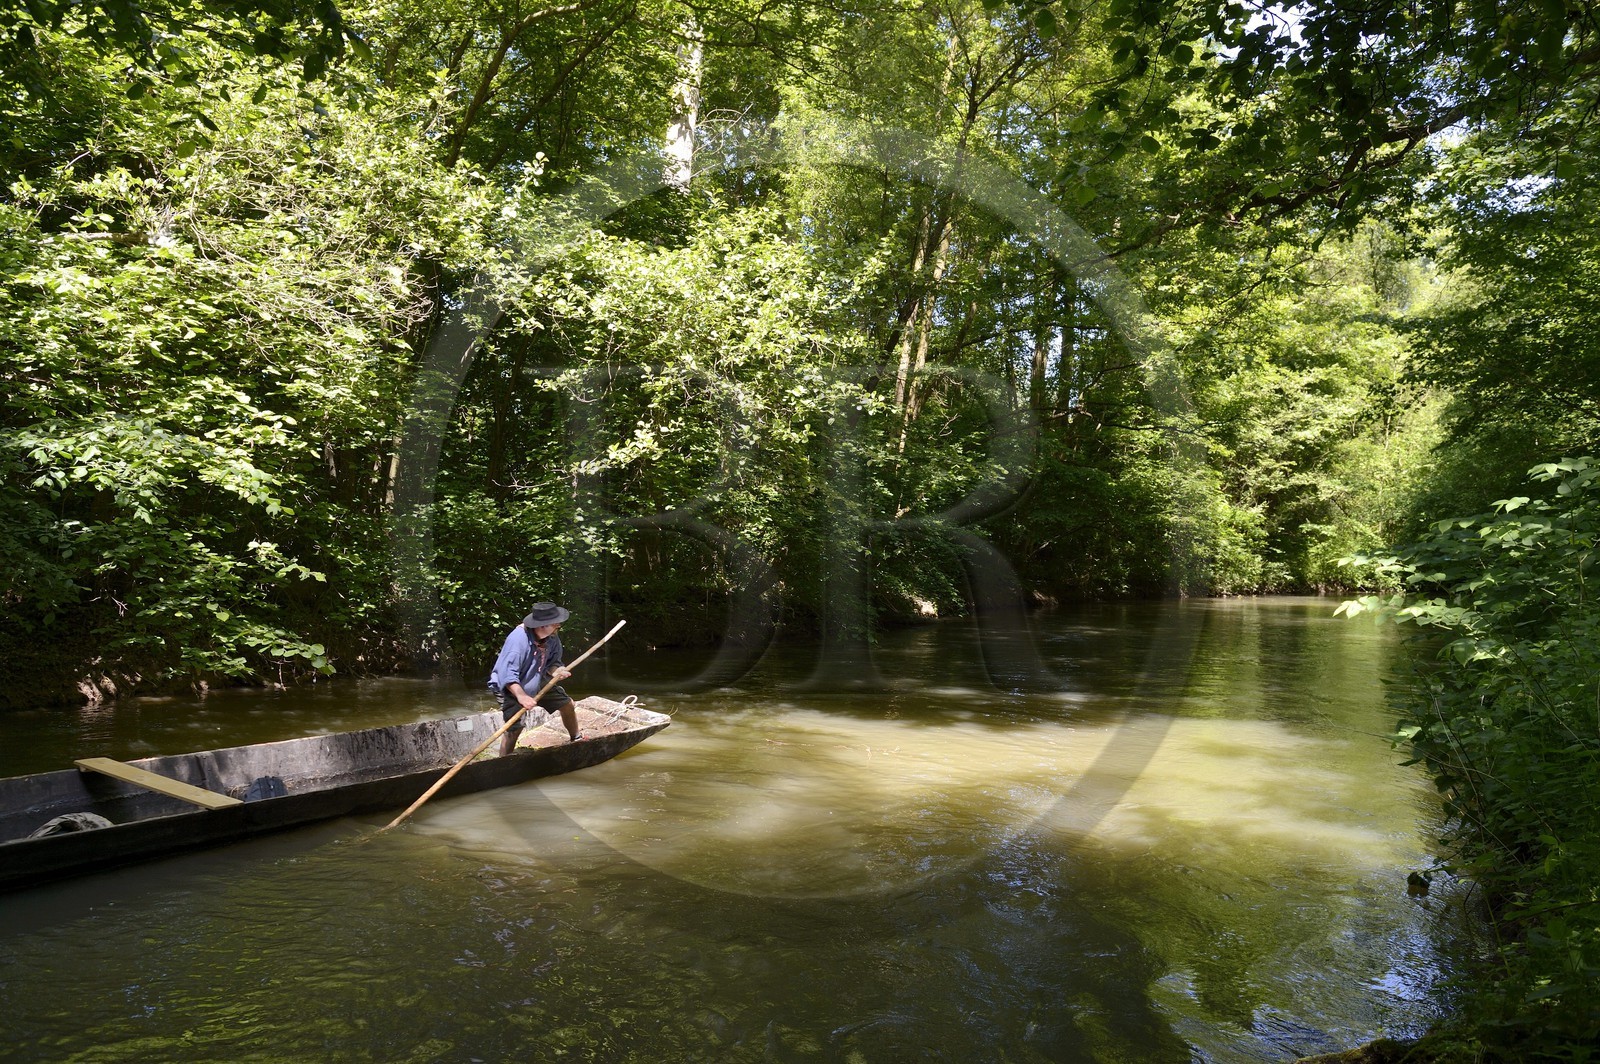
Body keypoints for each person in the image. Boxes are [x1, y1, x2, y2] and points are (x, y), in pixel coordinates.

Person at [487, 602, 582, 755]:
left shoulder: (551, 637)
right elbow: (508, 675)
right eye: (555, 624)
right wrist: (522, 696)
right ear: (542, 626)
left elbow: (552, 663)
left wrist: (557, 671)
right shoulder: (518, 640)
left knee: (567, 704)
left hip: (537, 679)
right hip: (511, 687)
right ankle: (504, 761)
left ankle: (576, 738)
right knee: (514, 728)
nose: (558, 626)